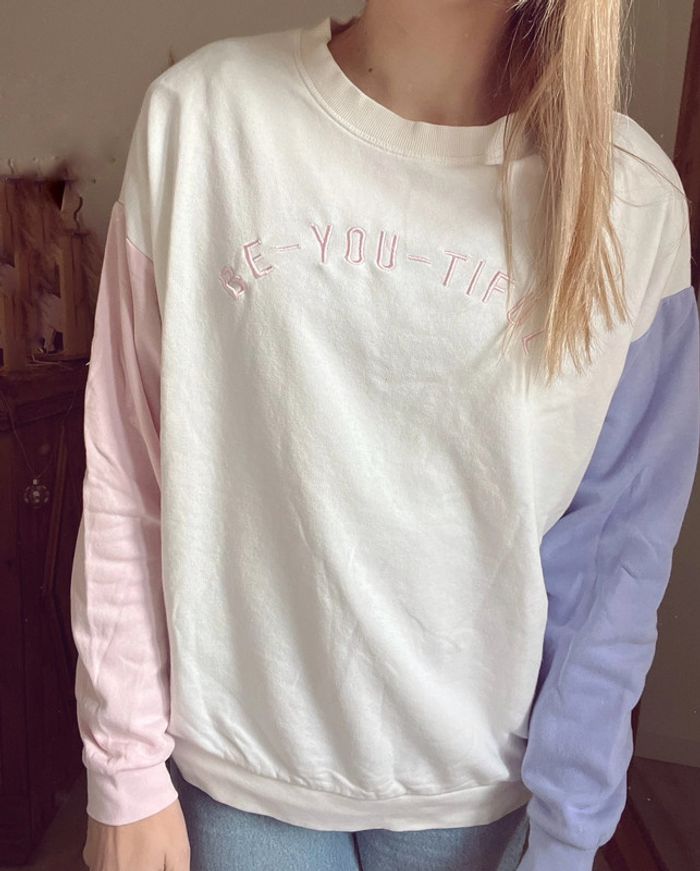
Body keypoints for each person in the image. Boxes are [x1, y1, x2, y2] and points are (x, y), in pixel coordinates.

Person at [70, 1, 700, 870]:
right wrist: (124, 766)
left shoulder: (634, 199)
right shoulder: (202, 117)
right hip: (243, 782)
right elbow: (127, 473)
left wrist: (570, 831)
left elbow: (613, 562)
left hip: (477, 799)